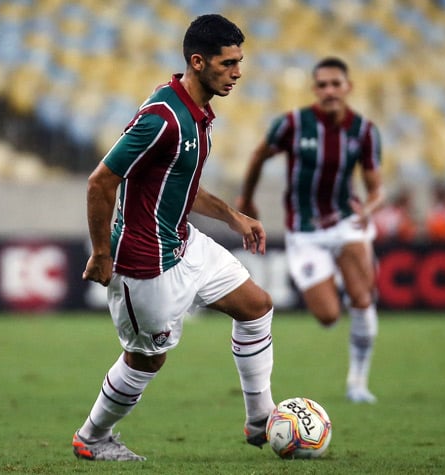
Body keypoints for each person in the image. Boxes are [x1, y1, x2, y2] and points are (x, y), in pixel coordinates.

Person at [73, 14, 275, 462]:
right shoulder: (162, 117)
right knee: (147, 360)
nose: (238, 72)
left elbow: (179, 182)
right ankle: (92, 437)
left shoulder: (197, 112)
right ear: (198, 62)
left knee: (257, 306)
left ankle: (261, 422)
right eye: (228, 64)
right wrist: (102, 253)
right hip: (145, 263)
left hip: (184, 243)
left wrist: (233, 216)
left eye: (240, 62)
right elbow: (100, 182)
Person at [237, 57, 383, 404]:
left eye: (336, 83)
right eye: (322, 85)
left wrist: (371, 208)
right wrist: (247, 197)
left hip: (346, 222)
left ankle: (358, 384)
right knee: (328, 315)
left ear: (348, 87)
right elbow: (259, 155)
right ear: (315, 89)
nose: (329, 90)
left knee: (363, 301)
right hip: (304, 231)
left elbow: (376, 187)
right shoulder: (292, 124)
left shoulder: (363, 131)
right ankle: (339, 277)